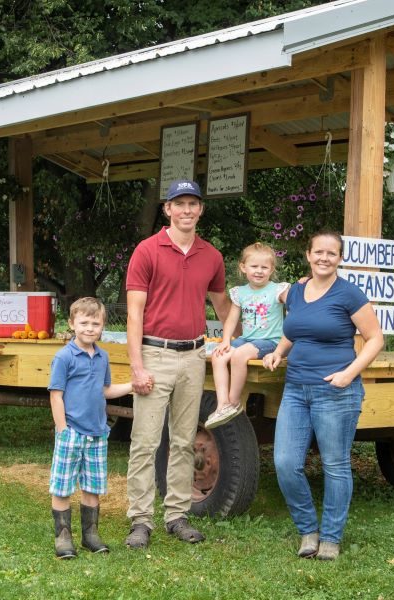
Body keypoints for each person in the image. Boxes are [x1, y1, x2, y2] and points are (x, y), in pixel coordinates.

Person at [263, 231, 384, 561]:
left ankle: (330, 537)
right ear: (308, 254)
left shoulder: (349, 294)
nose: (324, 258)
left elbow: (375, 339)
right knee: (286, 463)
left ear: (340, 258)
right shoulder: (297, 293)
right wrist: (278, 350)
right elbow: (297, 330)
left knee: (335, 465)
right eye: (319, 252)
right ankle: (307, 530)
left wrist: (349, 373)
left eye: (331, 253)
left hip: (336, 391)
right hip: (296, 389)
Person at [123, 179, 231, 549]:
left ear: (201, 210)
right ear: (167, 209)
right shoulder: (147, 250)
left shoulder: (211, 256)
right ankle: (140, 519)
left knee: (185, 440)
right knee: (146, 441)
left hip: (194, 356)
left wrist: (270, 311)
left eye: (193, 204)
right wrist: (137, 366)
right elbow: (134, 314)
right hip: (155, 352)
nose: (186, 210)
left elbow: (225, 308)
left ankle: (176, 515)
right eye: (179, 203)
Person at [48, 297, 133, 559]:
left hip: (97, 433)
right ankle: (63, 537)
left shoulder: (103, 357)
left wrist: (133, 385)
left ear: (102, 327)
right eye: (84, 322)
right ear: (72, 324)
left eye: (95, 323)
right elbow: (56, 395)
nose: (89, 328)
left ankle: (90, 535)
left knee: (93, 486)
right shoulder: (64, 357)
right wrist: (63, 429)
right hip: (71, 431)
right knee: (62, 486)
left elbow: (105, 390)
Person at [206, 242, 289, 429]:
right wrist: (226, 340)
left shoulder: (278, 290)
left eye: (264, 267)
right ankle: (223, 404)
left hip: (271, 341)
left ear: (271, 269)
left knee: (239, 355)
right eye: (254, 266)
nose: (259, 271)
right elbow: (232, 320)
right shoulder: (240, 293)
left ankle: (234, 402)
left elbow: (295, 305)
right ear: (243, 267)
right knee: (218, 356)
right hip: (248, 340)